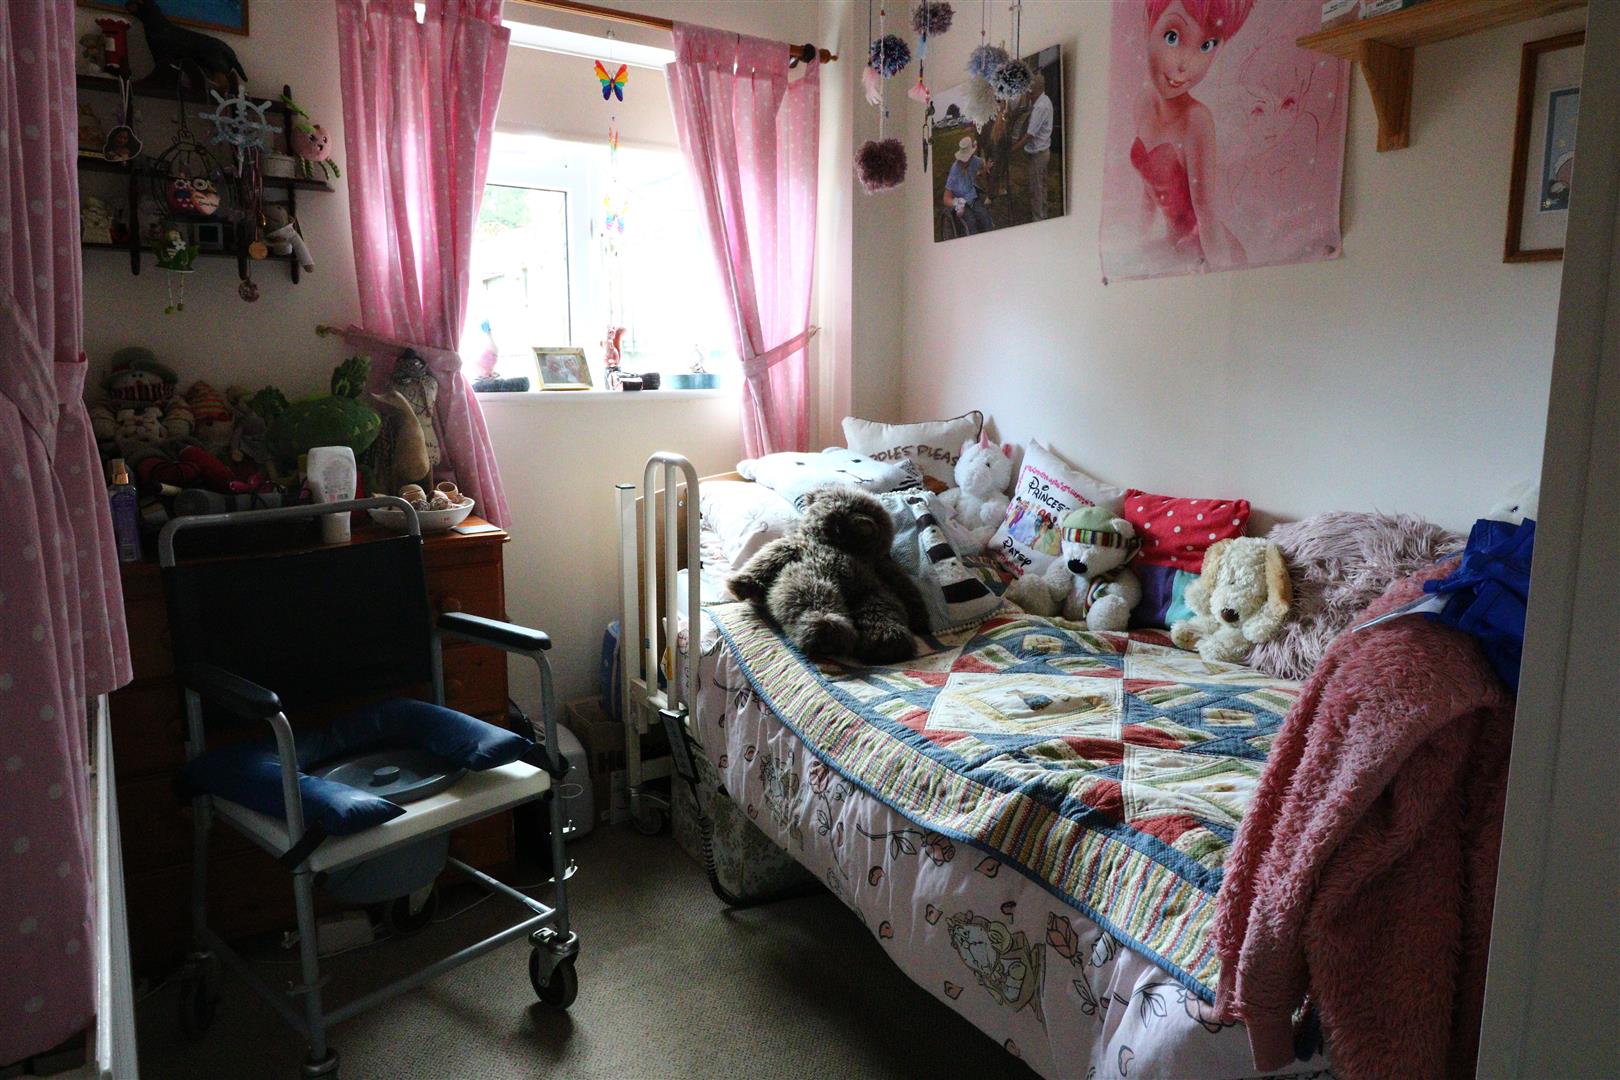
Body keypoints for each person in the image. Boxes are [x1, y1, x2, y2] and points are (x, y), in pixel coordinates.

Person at [1130, 0, 1252, 269]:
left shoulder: (1196, 121)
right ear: (1149, 24)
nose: (1186, 65)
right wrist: (1134, 244)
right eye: (1172, 37)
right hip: (1176, 248)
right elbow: (1148, 193)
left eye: (1206, 46)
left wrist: (1223, 274)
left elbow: (1205, 211)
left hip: (1206, 249)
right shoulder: (1144, 103)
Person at [1012, 73, 1054, 221]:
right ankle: (1044, 214)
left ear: (1036, 89)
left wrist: (1013, 149)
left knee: (1036, 189)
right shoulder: (1043, 100)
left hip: (1038, 155)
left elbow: (1029, 135)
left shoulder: (1040, 107)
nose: (1028, 93)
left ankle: (1038, 219)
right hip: (1043, 152)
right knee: (1042, 186)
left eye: (1030, 90)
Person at [944, 135, 993, 235]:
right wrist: (956, 203)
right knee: (971, 222)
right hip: (961, 201)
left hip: (972, 197)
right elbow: (946, 198)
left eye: (968, 158)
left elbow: (982, 163)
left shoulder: (974, 160)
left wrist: (986, 166)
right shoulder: (955, 170)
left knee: (985, 217)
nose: (966, 161)